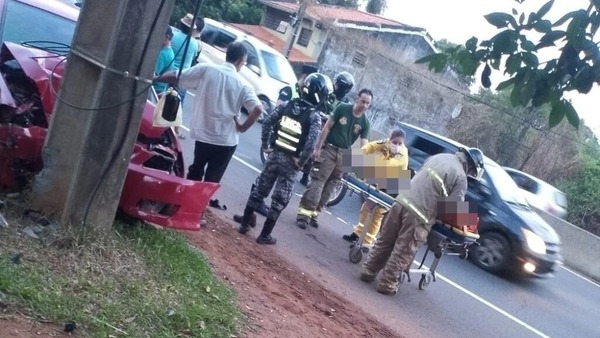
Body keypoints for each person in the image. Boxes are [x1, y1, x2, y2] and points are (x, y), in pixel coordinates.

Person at [359, 147, 485, 295]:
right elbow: (453, 209)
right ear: (470, 165)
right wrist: (469, 220)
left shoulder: (439, 156)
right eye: (472, 172)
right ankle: (387, 284)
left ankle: (368, 271)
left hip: (400, 202)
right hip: (419, 214)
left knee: (385, 241)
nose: (470, 174)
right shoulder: (460, 177)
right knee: (402, 251)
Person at [155, 41, 264, 207]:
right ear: (240, 61)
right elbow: (257, 109)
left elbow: (176, 76)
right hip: (226, 141)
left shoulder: (207, 69)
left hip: (204, 135)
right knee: (212, 179)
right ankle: (197, 211)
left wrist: (154, 77)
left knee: (196, 170)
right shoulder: (243, 84)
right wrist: (242, 127)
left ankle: (182, 206)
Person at [235, 73, 333, 245]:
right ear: (321, 94)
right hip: (291, 163)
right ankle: (264, 235)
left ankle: (244, 225)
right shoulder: (314, 116)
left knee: (259, 190)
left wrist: (265, 145)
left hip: (274, 155)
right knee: (280, 199)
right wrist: (301, 162)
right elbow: (310, 144)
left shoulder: (288, 105)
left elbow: (267, 122)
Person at [296, 88, 373, 230]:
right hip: (330, 149)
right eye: (363, 101)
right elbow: (327, 128)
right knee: (318, 182)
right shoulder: (342, 108)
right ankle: (304, 215)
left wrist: (360, 165)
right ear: (357, 99)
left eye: (368, 103)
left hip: (345, 154)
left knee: (331, 186)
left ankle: (315, 213)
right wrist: (318, 148)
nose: (365, 105)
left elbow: (364, 145)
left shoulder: (365, 123)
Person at [342, 128, 409, 249]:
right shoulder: (385, 143)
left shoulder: (403, 153)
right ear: (389, 140)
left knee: (378, 213)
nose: (397, 145)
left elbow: (390, 165)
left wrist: (370, 171)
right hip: (380, 176)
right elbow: (371, 146)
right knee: (366, 208)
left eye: (400, 143)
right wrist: (360, 154)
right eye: (394, 142)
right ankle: (358, 233)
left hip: (395, 182)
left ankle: (367, 241)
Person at [299, 71, 355, 186]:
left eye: (338, 83)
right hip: (320, 119)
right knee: (312, 139)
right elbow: (319, 102)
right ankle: (305, 172)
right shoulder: (328, 93)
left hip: (332, 127)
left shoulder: (347, 104)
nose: (335, 85)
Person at [171, 13, 201, 139]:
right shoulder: (194, 44)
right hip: (183, 77)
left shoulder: (173, 36)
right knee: (178, 104)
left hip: (169, 73)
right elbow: (194, 58)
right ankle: (176, 131)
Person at [152, 26, 175, 95]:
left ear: (166, 37)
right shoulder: (169, 52)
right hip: (162, 89)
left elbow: (151, 74)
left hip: (155, 89)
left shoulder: (162, 55)